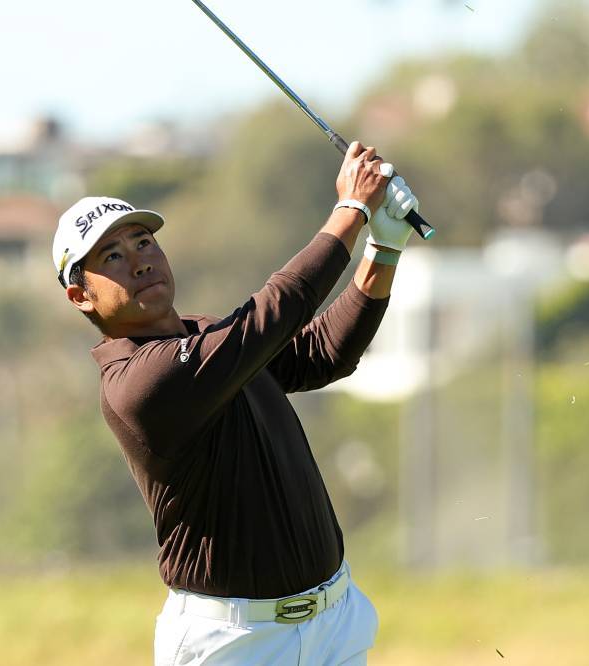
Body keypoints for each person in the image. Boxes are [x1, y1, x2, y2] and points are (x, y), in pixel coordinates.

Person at [52, 141, 419, 665]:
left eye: (144, 242)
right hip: (233, 642)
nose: (140, 262)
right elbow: (276, 311)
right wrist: (351, 210)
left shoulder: (207, 337)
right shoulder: (137, 382)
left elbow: (321, 354)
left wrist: (383, 249)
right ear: (80, 296)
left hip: (334, 621)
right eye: (112, 257)